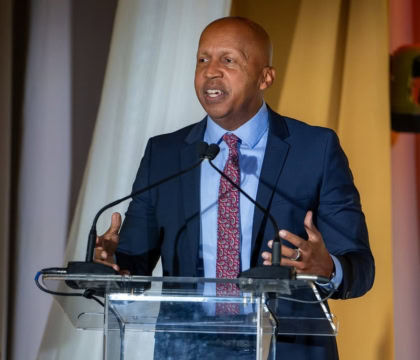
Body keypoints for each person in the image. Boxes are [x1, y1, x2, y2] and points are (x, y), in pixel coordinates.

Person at [94, 17, 374, 359]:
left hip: (285, 348)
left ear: (265, 77)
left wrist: (327, 268)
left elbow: (361, 268)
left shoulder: (315, 149)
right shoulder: (165, 155)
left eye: (228, 60)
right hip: (187, 349)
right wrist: (111, 266)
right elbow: (132, 265)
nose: (211, 72)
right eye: (202, 59)